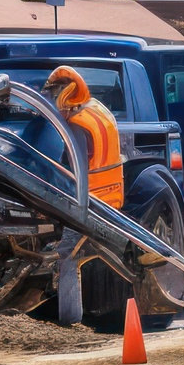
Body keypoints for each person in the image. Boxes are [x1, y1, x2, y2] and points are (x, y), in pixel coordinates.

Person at [40, 66, 125, 326]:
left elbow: (74, 169)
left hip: (88, 201)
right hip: (111, 196)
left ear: (67, 91)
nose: (53, 99)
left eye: (54, 92)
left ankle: (69, 320)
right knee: (90, 255)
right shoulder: (96, 110)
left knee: (65, 256)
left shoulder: (76, 125)